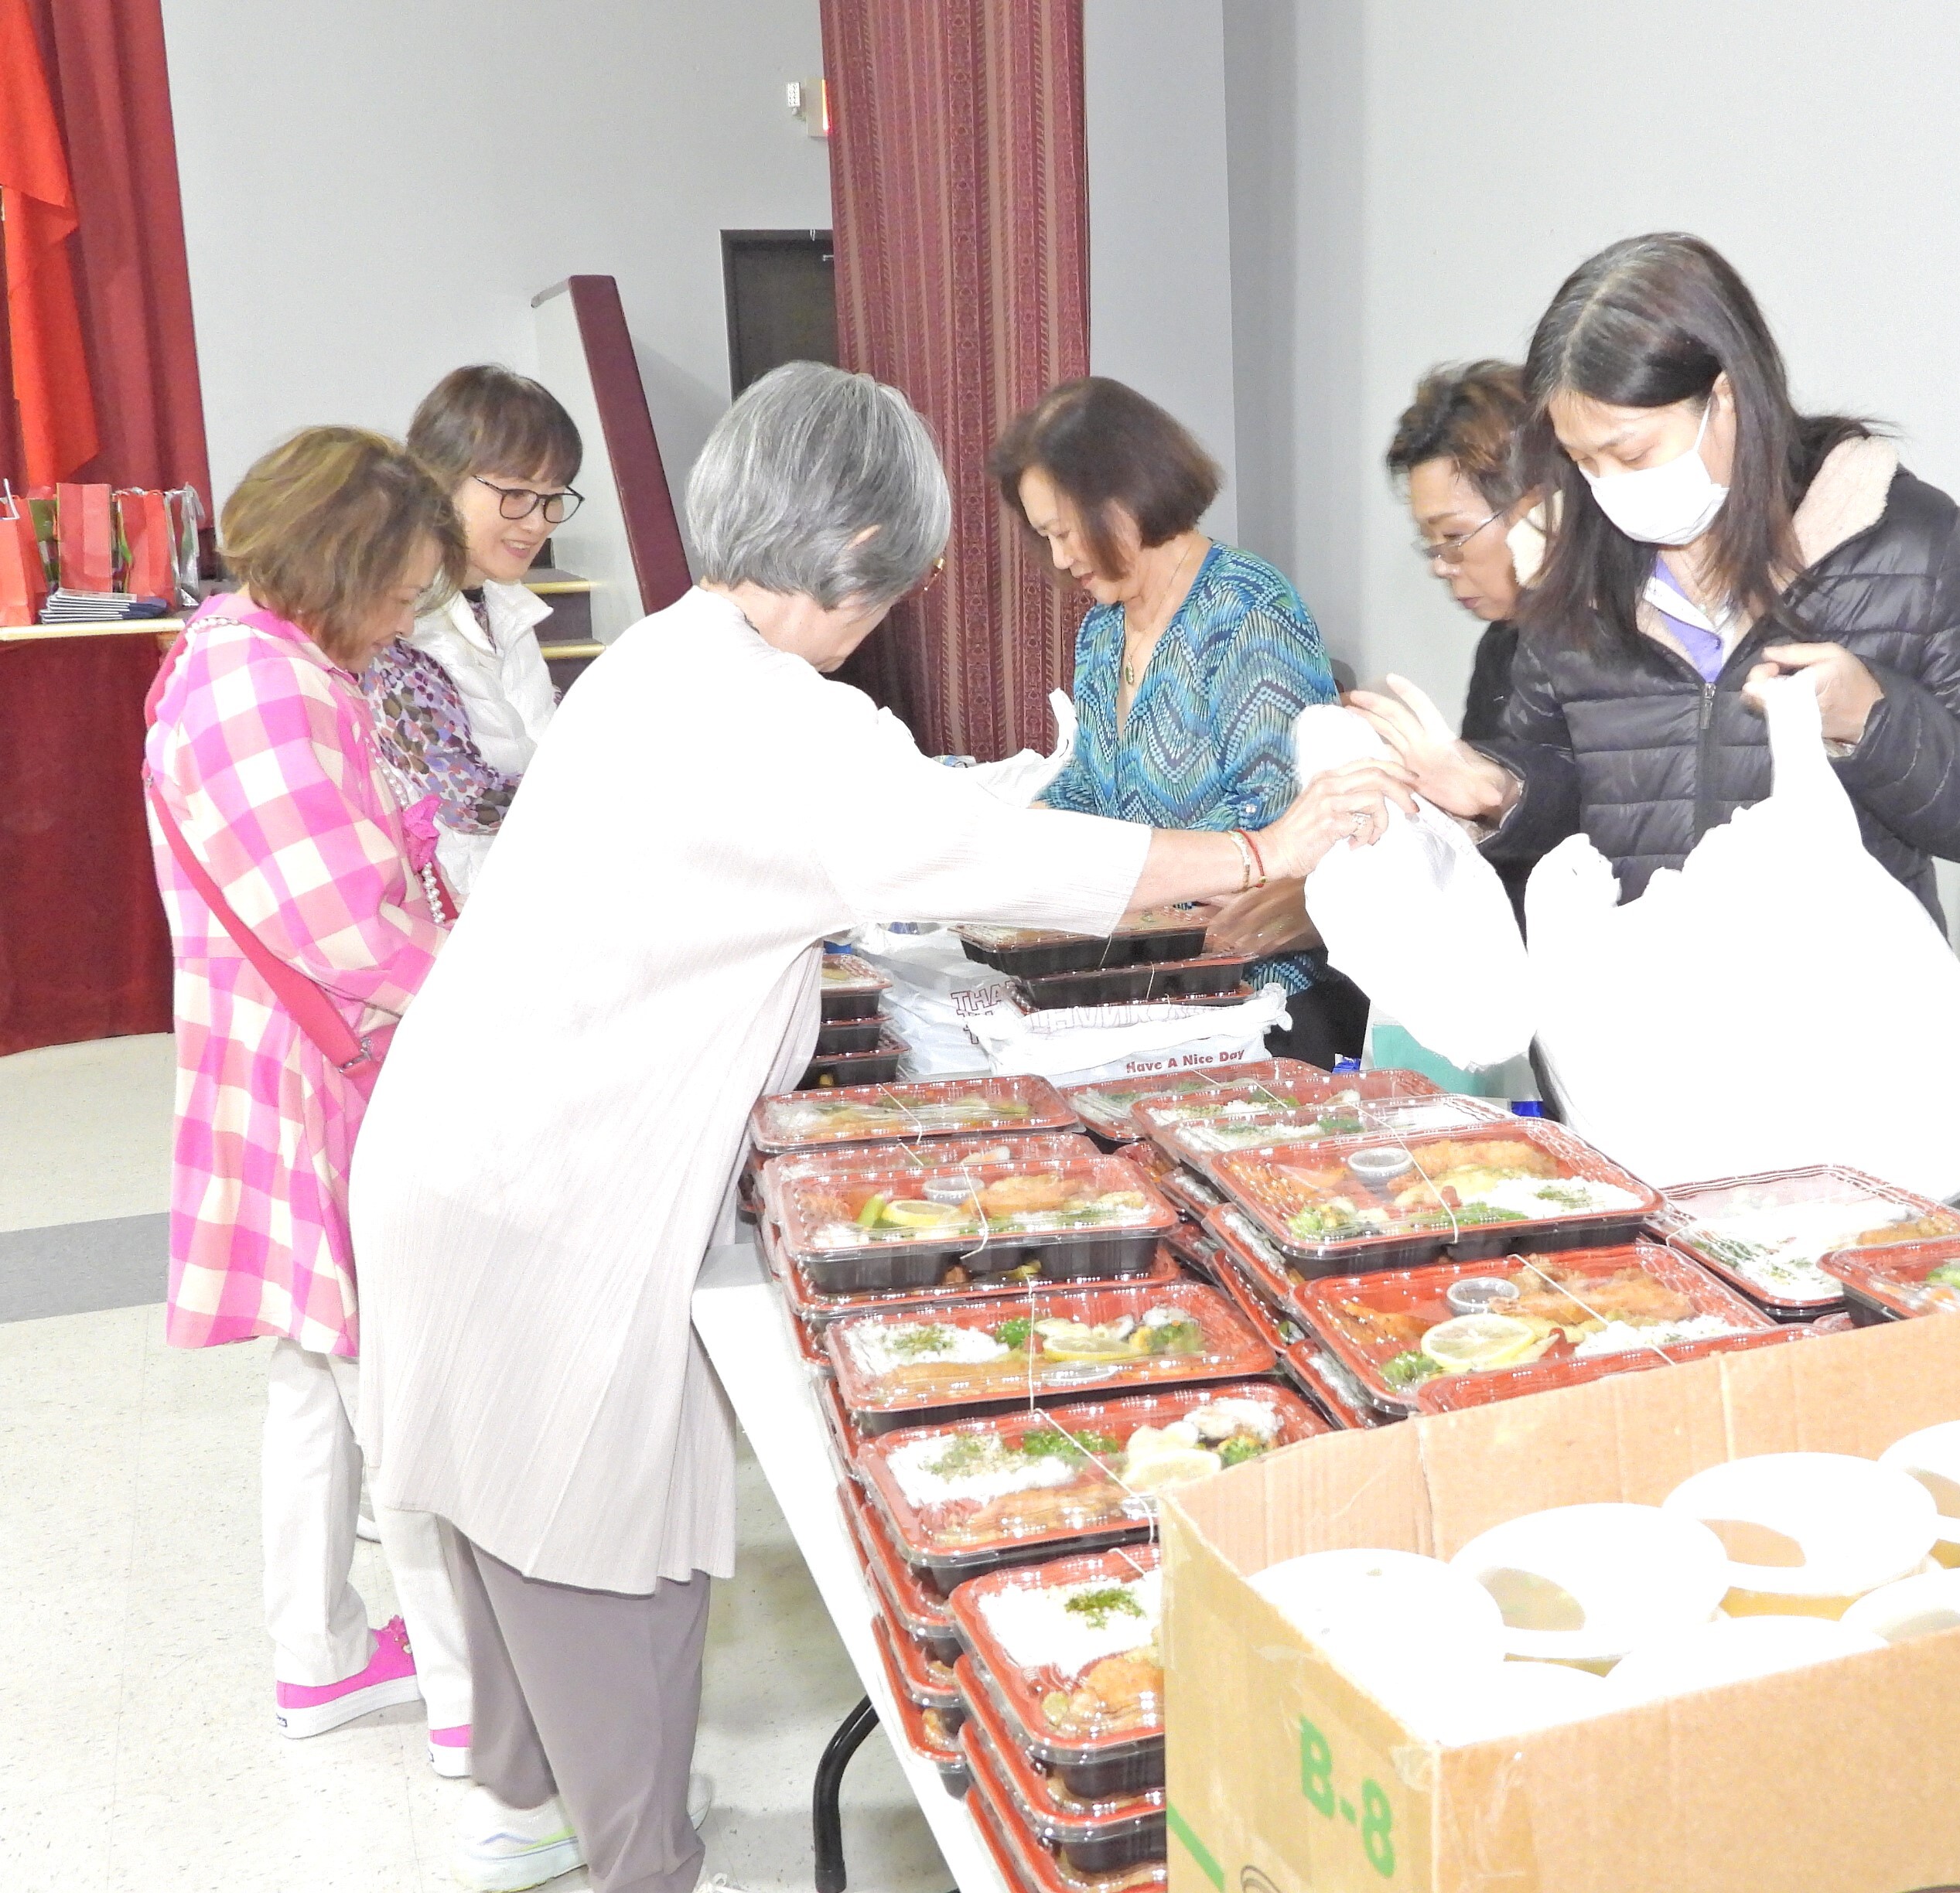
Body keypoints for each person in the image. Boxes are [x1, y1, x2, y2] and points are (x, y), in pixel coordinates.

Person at [350, 363, 1406, 1893]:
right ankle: (635, 1860)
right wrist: (1260, 847)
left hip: (465, 1143)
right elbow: (985, 858)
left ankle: (528, 1809)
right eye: (899, 581)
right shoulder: (775, 715)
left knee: (498, 1506)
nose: (890, 612)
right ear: (855, 551)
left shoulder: (667, 653)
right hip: (543, 1185)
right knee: (585, 1528)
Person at [1351, 233, 1960, 923]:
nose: (1608, 487)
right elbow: (1578, 795)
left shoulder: (1900, 541)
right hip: (1640, 985)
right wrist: (1502, 790)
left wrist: (1872, 719)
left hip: (1844, 987)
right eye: (1582, 461)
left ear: (1727, 396)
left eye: (1631, 453)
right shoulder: (1575, 569)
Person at [141, 427, 477, 1782]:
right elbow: (345, 921)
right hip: (322, 1075)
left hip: (283, 1063)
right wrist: (483, 992)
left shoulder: (244, 654)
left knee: (316, 1377)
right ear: (339, 562)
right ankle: (473, 1713)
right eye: (396, 590)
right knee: (394, 1391)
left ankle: (320, 1653)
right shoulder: (262, 684)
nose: (403, 619)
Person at [990, 375, 1368, 1066]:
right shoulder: (1103, 631)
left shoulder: (1246, 612)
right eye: (1046, 537)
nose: (1061, 559)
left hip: (1259, 1004)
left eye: (1066, 532)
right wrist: (1005, 830)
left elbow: (1276, 832)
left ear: (1127, 498)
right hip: (1148, 994)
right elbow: (1088, 790)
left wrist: (1121, 870)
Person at [367, 365, 585, 902]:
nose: (537, 522)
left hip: (533, 886)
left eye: (553, 497)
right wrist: (604, 794)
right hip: (457, 906)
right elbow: (463, 797)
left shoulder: (500, 600)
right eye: (516, 493)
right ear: (439, 481)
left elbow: (534, 724)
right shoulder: (401, 623)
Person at [1384, 359, 1545, 918]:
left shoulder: (1622, 642)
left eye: (1454, 536)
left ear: (1537, 508)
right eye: (1431, 544)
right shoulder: (1502, 645)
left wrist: (1500, 794)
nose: (1441, 565)